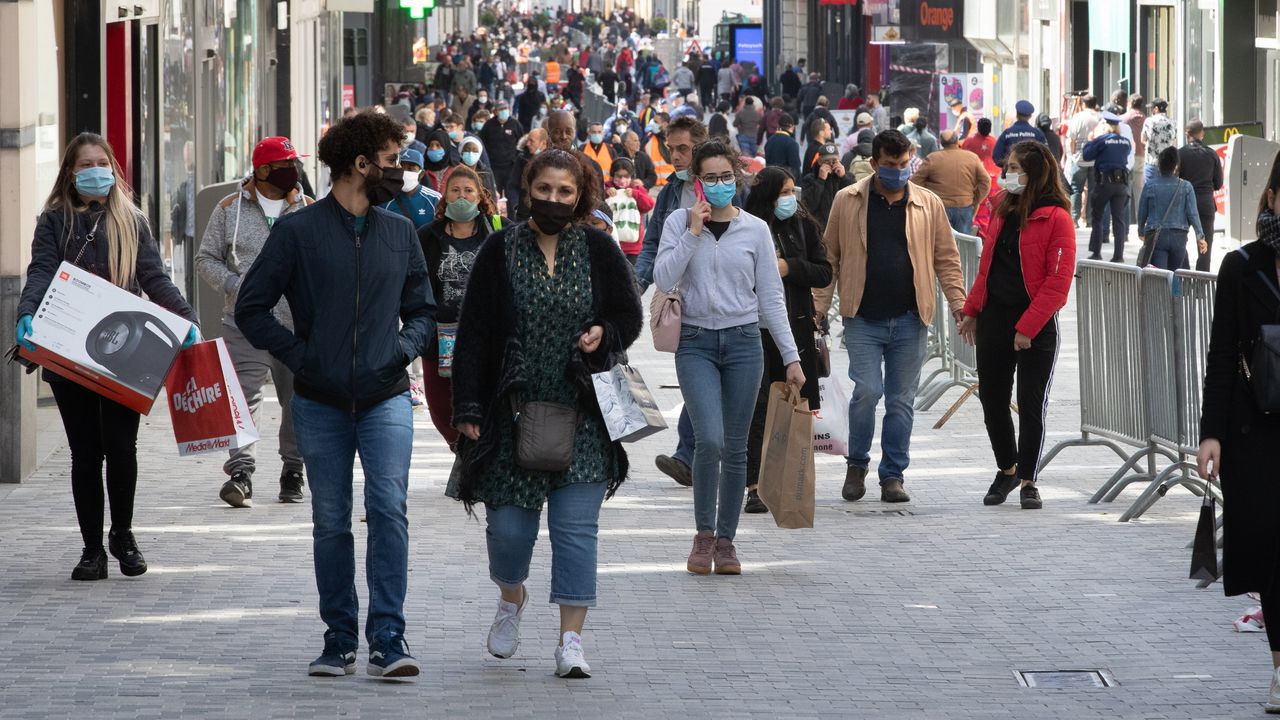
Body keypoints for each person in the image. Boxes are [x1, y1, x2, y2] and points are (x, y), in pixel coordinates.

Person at [234, 110, 435, 679]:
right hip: (319, 402)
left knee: (389, 510)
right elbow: (251, 307)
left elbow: (422, 308)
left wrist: (402, 350)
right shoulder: (298, 231)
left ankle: (389, 639)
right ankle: (339, 638)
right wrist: (302, 357)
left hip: (387, 395)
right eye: (393, 162)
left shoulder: (399, 232)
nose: (400, 173)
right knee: (330, 518)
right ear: (361, 163)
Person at [448, 148, 642, 680]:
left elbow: (629, 314)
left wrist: (605, 330)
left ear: (580, 196)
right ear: (526, 189)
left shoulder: (600, 248)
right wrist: (466, 406)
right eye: (545, 189)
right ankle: (511, 596)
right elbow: (474, 334)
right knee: (509, 533)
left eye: (565, 192)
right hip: (511, 413)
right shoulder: (499, 249)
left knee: (577, 531)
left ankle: (571, 641)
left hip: (583, 412)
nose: (554, 200)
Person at [15, 132, 198, 580]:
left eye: (101, 162)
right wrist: (26, 312)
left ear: (113, 169)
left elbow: (154, 277)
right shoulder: (54, 220)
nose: (94, 171)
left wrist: (186, 319)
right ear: (70, 173)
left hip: (124, 353)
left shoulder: (131, 221)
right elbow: (40, 270)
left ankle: (123, 534)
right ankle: (92, 550)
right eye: (85, 164)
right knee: (84, 452)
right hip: (67, 350)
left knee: (121, 447)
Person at [654, 141, 805, 574]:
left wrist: (792, 359)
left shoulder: (756, 229)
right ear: (696, 183)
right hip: (696, 342)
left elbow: (771, 299)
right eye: (710, 178)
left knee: (737, 449)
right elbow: (663, 278)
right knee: (711, 441)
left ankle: (726, 541)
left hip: (743, 342)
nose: (719, 186)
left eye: (726, 177)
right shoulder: (679, 223)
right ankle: (703, 536)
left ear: (736, 179)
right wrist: (692, 233)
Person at [814, 129, 966, 505]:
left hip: (911, 318)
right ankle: (857, 464)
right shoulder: (847, 201)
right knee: (867, 392)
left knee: (901, 400)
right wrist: (817, 309)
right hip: (862, 317)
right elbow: (828, 259)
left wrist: (960, 304)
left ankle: (893, 475)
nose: (898, 171)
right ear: (875, 162)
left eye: (903, 164)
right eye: (889, 165)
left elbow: (947, 259)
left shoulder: (928, 204)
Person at [1197, 151, 1280, 712]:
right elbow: (1222, 353)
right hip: (1257, 432)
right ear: (1272, 197)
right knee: (1272, 554)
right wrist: (1212, 434)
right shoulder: (1242, 266)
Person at [957, 141, 1076, 511]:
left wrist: (1027, 328)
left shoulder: (1056, 217)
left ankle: (1029, 479)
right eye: (1007, 167)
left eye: (1013, 168)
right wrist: (972, 309)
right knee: (992, 399)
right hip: (995, 318)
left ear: (1035, 173)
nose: (1006, 174)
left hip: (1035, 323)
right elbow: (987, 268)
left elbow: (1058, 283)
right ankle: (1006, 468)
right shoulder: (1002, 210)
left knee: (1030, 402)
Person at [196, 136, 313, 509]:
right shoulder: (229, 208)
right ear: (262, 169)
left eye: (295, 163)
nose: (292, 171)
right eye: (284, 164)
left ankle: (293, 469)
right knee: (242, 399)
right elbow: (205, 259)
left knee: (296, 399)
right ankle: (240, 472)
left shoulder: (308, 209)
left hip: (294, 325)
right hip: (243, 320)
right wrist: (237, 286)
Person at [741, 167, 832, 514]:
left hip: (794, 332)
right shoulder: (747, 227)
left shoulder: (804, 226)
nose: (791, 199)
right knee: (758, 408)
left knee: (792, 408)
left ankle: (783, 480)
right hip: (753, 330)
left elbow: (823, 271)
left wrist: (790, 267)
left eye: (793, 191)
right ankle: (754, 484)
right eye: (784, 192)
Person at [635, 116, 708, 486]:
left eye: (683, 148)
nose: (675, 156)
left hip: (723, 303)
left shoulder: (725, 188)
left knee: (710, 385)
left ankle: (700, 457)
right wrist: (636, 284)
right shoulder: (668, 193)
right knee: (694, 379)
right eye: (671, 148)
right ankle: (688, 456)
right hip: (682, 302)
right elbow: (652, 245)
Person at [415, 165, 503, 447]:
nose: (462, 196)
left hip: (485, 337)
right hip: (439, 338)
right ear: (445, 196)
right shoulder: (426, 236)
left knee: (484, 399)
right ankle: (461, 450)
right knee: (442, 407)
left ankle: (480, 453)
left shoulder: (500, 232)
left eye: (468, 191)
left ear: (480, 196)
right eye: (455, 190)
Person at [1138, 146, 1206, 270]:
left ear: (1159, 165)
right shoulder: (1186, 186)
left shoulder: (1149, 185)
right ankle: (1175, 290)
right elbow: (1193, 214)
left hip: (1157, 236)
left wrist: (1141, 231)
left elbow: (1142, 211)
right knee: (1176, 274)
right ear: (1175, 166)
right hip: (1179, 237)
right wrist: (1200, 236)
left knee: (1162, 276)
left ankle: (1164, 290)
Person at [910, 129, 991, 234]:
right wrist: (975, 199)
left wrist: (927, 199)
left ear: (941, 143)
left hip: (939, 208)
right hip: (964, 207)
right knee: (962, 244)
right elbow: (985, 181)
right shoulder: (972, 158)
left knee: (941, 245)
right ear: (957, 141)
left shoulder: (932, 158)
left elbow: (915, 182)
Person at [1083, 111, 1133, 261]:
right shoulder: (1125, 142)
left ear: (1105, 125)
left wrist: (1091, 140)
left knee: (1097, 217)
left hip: (1104, 184)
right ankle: (1118, 255)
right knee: (1119, 219)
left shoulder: (1102, 140)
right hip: (1121, 185)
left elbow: (1087, 155)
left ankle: (1096, 252)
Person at [1178, 120, 1225, 271]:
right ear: (1202, 134)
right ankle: (1201, 281)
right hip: (1206, 203)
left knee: (1179, 240)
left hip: (1185, 203)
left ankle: (1185, 273)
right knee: (1205, 244)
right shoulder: (1212, 154)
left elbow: (1175, 180)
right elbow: (1218, 183)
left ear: (1187, 134)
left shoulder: (1180, 153)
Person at [605, 157, 655, 264]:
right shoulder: (606, 188)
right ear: (612, 175)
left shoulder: (637, 189)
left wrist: (636, 194)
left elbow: (649, 205)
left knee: (631, 275)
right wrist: (606, 193)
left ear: (632, 176)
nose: (622, 180)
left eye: (626, 176)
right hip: (611, 242)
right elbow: (596, 204)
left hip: (633, 245)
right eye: (619, 176)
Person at [378, 148, 443, 230]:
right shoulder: (385, 198)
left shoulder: (434, 199)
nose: (405, 172)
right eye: (401, 167)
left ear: (421, 174)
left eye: (411, 169)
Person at [800, 143, 853, 232]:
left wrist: (844, 177)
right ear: (819, 161)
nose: (831, 164)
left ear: (839, 160)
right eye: (826, 161)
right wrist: (820, 181)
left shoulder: (847, 176)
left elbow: (853, 198)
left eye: (834, 161)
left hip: (842, 227)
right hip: (819, 229)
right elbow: (807, 205)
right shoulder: (809, 179)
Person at [1067, 95, 1102, 227]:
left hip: (1079, 158)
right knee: (1093, 189)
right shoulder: (1099, 118)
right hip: (1096, 159)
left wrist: (1073, 154)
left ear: (1083, 104)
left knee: (1076, 189)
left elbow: (1071, 139)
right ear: (1095, 104)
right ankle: (1090, 219)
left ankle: (1074, 219)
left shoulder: (1077, 117)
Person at [480, 102, 523, 196]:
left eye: (505, 109)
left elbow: (522, 143)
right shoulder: (489, 125)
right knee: (494, 194)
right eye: (501, 109)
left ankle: (511, 211)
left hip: (510, 167)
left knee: (511, 195)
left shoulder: (515, 124)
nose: (504, 111)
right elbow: (482, 142)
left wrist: (515, 159)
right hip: (494, 166)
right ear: (495, 111)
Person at [506, 128, 548, 222]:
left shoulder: (551, 162)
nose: (528, 144)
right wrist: (516, 206)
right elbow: (512, 185)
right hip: (522, 215)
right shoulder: (522, 159)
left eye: (531, 141)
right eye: (527, 140)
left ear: (543, 144)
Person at [992, 100, 1047, 166]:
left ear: (1017, 114)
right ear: (1030, 116)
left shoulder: (1007, 133)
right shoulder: (1037, 134)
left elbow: (996, 156)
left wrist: (1008, 166)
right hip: (1032, 174)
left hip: (1011, 174)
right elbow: (1046, 155)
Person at [1122, 95, 1147, 222]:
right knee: (1140, 190)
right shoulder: (1145, 119)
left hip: (1128, 157)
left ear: (1130, 103)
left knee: (1126, 190)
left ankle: (1126, 221)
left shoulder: (1123, 119)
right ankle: (1139, 220)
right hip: (1142, 156)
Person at [1141, 98, 1176, 184]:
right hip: (1168, 163)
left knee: (1151, 190)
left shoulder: (1149, 121)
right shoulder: (1172, 122)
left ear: (1156, 109)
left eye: (1151, 108)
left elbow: (1143, 139)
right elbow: (1174, 141)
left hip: (1152, 162)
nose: (1151, 110)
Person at [458, 135, 502, 202]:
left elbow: (492, 196)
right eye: (467, 150)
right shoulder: (455, 171)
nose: (470, 153)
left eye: (475, 151)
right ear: (461, 152)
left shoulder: (486, 171)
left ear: (479, 153)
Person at [764, 114, 802, 179]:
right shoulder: (792, 143)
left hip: (769, 178)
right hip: (784, 180)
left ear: (779, 125)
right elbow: (795, 167)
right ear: (792, 126)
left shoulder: (770, 140)